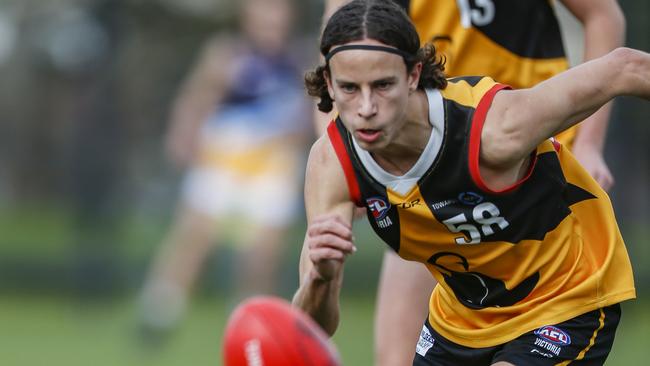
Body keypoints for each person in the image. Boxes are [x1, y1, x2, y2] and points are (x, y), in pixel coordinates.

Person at [293, 1, 647, 365]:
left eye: (382, 85)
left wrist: (588, 144)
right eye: (350, 88)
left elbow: (626, 67)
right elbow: (310, 327)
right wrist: (321, 277)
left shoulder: (498, 128)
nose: (366, 107)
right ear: (329, 85)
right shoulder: (332, 163)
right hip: (462, 320)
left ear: (413, 76)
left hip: (563, 296)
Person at [138, 0, 310, 338]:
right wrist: (183, 135)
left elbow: (309, 115)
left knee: (262, 252)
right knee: (194, 236)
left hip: (272, 163)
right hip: (224, 157)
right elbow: (197, 96)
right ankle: (159, 312)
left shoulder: (300, 60)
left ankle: (249, 320)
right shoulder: (226, 53)